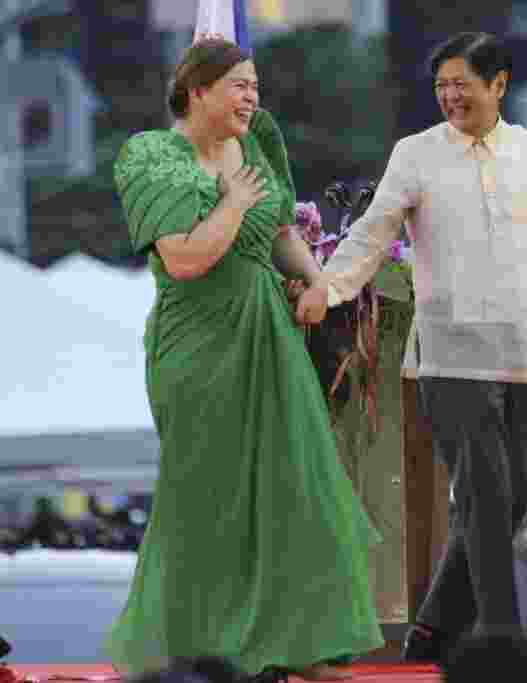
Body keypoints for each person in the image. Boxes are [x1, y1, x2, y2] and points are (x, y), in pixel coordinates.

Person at [108, 38, 383, 678]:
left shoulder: (256, 140)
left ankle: (299, 644)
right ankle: (209, 654)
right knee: (209, 496)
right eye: (238, 85)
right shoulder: (151, 157)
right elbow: (184, 258)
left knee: (300, 485)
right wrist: (231, 200)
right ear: (197, 90)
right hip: (197, 345)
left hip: (270, 333)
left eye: (255, 85)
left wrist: (318, 282)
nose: (252, 98)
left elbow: (282, 225)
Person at [311, 32, 527, 661]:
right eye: (441, 86)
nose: (450, 95)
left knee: (516, 497)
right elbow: (373, 231)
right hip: (449, 355)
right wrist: (327, 291)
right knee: (485, 498)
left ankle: (433, 629)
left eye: (463, 83)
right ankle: (500, 643)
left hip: (524, 354)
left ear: (499, 85)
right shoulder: (416, 154)